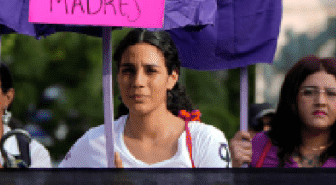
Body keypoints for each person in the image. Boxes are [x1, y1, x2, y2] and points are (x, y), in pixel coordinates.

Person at [60, 29, 230, 168]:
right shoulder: (95, 142)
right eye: (128, 70)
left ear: (173, 77)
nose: (138, 82)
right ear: (117, 76)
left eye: (151, 71)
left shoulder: (205, 142)